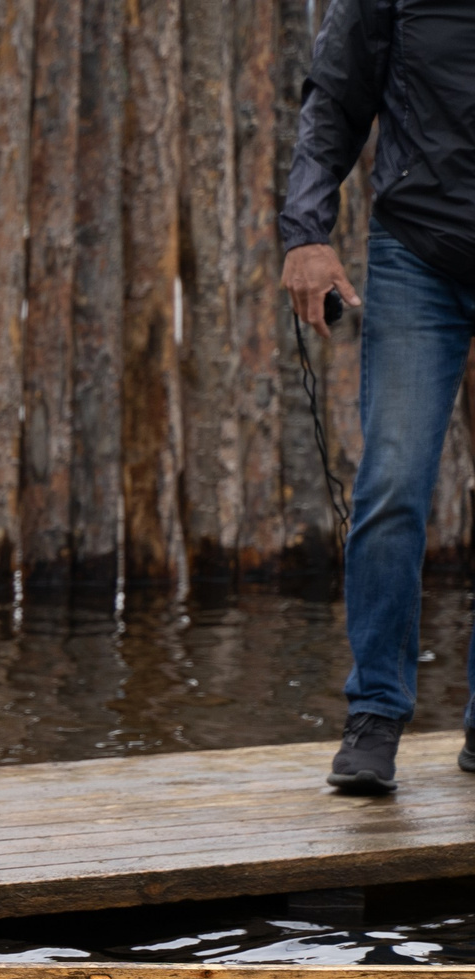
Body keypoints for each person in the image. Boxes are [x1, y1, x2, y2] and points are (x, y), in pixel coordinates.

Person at [283, 0, 475, 794]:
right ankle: (375, 715)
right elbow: (335, 94)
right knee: (393, 481)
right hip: (418, 253)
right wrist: (307, 231)